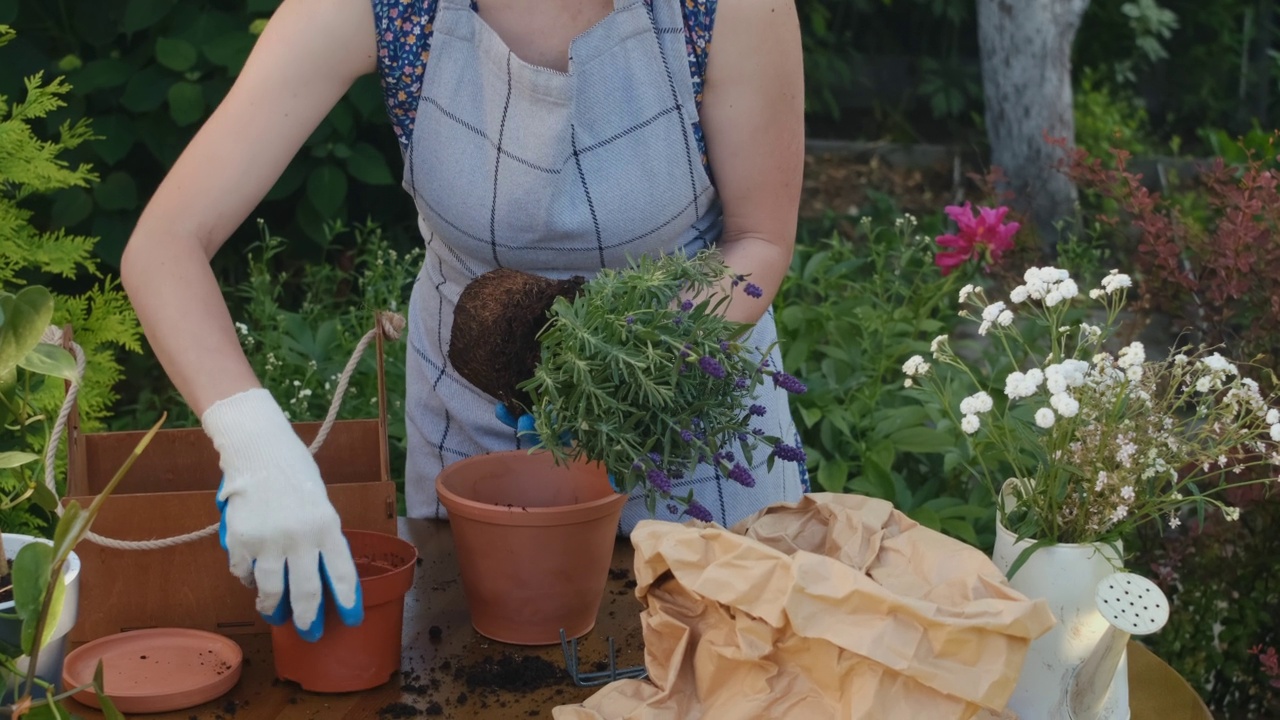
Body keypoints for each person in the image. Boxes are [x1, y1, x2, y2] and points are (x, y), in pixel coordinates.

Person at [120, 0, 806, 642]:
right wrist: (254, 443)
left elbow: (758, 242)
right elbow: (166, 245)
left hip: (687, 418)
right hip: (478, 421)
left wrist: (621, 366)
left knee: (720, 664)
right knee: (484, 665)